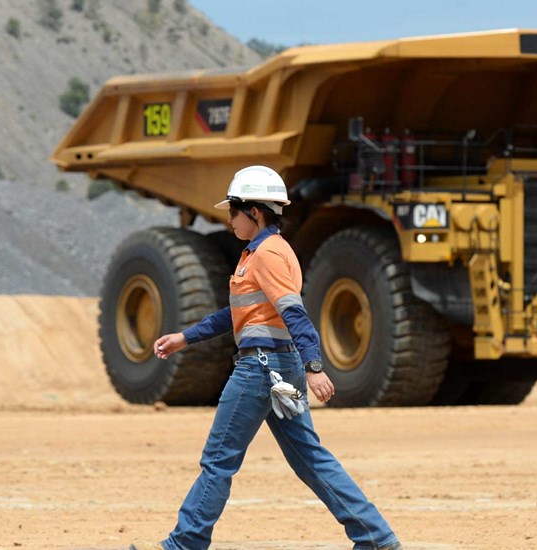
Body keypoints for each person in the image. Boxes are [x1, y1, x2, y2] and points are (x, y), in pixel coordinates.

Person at [131, 166, 402, 550]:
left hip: (261, 369)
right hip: (279, 368)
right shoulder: (264, 252)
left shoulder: (267, 254)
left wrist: (315, 367)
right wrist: (184, 338)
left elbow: (294, 312)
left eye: (234, 211)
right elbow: (238, 313)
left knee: (219, 459)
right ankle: (375, 537)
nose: (229, 219)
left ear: (255, 212)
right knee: (310, 457)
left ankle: (185, 544)